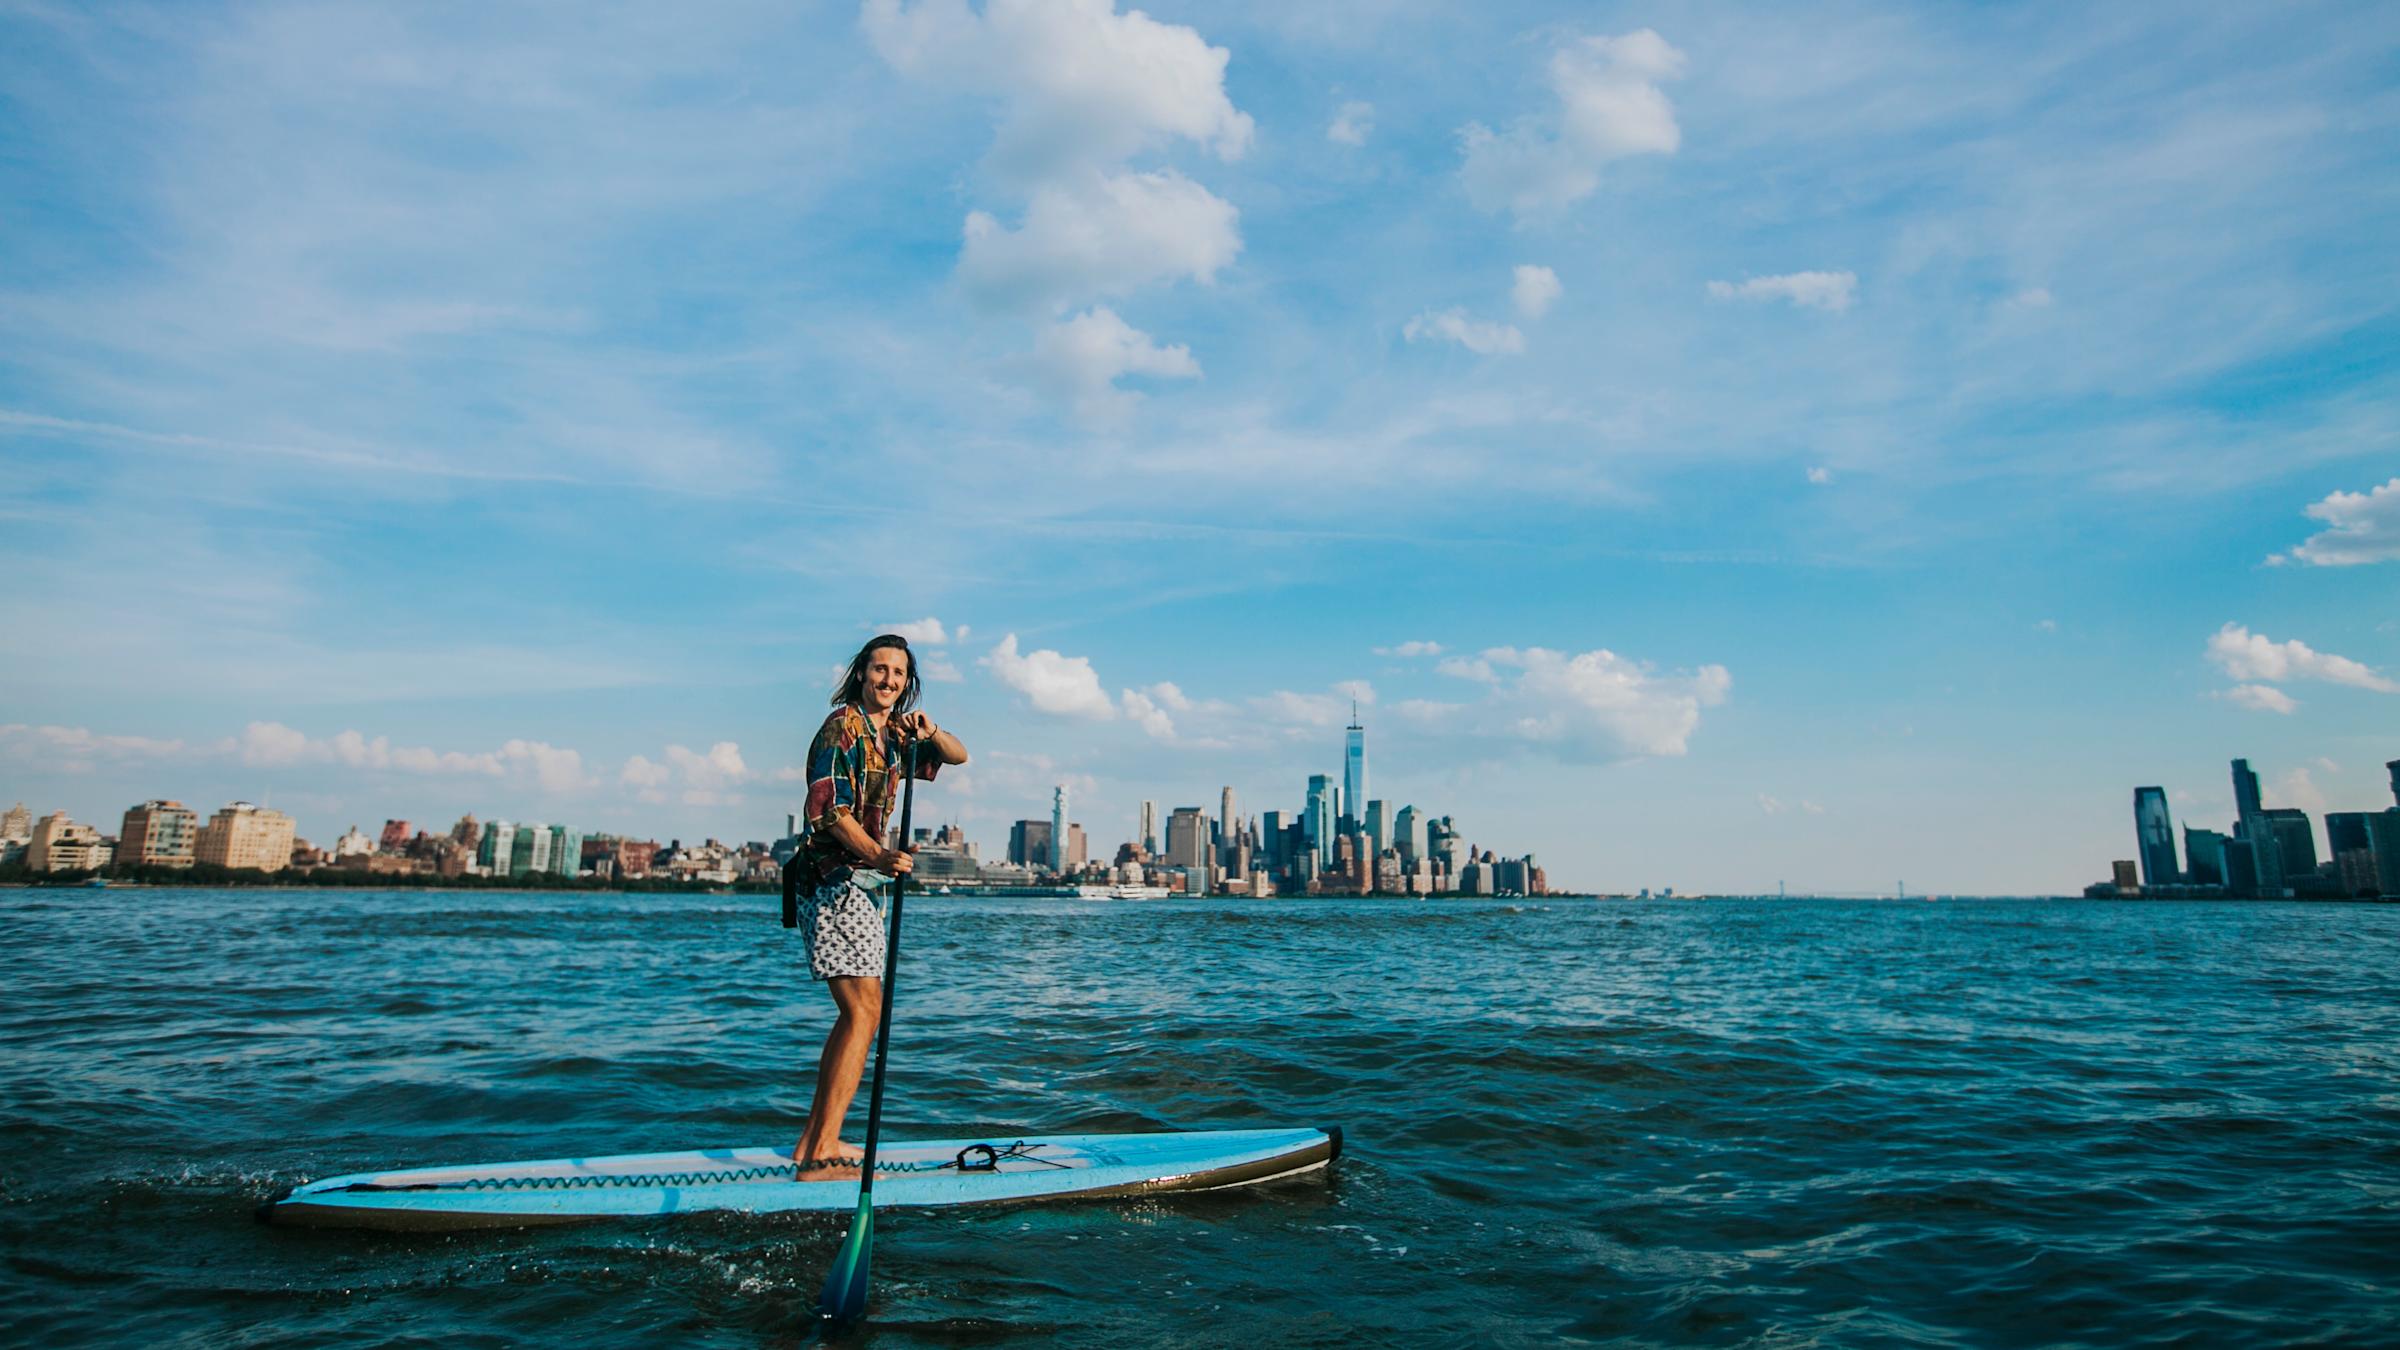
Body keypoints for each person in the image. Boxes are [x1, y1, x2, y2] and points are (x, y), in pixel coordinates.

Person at [789, 634, 968, 1178]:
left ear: (905, 682)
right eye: (879, 669)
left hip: (861, 886)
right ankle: (821, 1155)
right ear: (861, 673)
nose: (888, 680)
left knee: (861, 1013)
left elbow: (958, 755)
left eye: (897, 673)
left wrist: (928, 730)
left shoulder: (892, 733)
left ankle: (814, 1143)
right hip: (831, 880)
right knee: (862, 1012)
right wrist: (880, 855)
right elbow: (827, 810)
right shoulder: (841, 727)